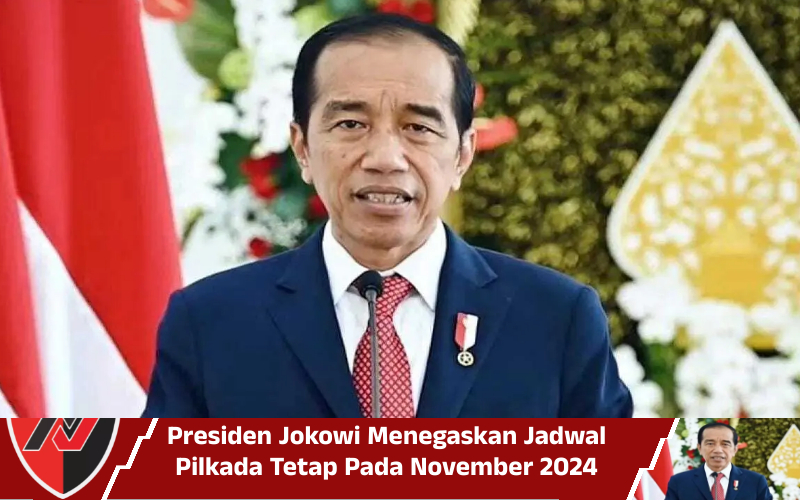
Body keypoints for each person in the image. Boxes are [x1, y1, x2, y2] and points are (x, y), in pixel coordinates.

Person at [141, 13, 632, 418]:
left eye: (418, 127)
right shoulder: (210, 322)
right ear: (303, 147)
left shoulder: (556, 318)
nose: (384, 157)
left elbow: (619, 486)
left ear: (463, 155)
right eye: (350, 123)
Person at [665, 422, 773, 500]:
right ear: (699, 448)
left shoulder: (755, 481)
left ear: (735, 449)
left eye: (725, 444)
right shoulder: (679, 482)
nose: (717, 450)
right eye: (710, 443)